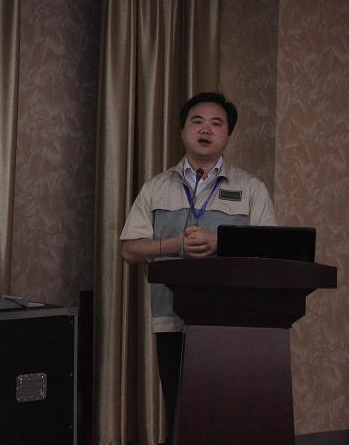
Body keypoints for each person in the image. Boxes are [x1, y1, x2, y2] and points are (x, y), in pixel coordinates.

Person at [119, 91, 276, 442]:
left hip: (234, 320)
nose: (206, 129)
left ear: (227, 135)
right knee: (180, 413)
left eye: (216, 123)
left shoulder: (251, 188)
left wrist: (221, 242)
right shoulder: (156, 187)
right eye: (197, 121)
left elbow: (271, 248)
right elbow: (129, 250)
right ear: (182, 131)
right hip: (172, 317)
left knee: (229, 413)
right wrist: (175, 245)